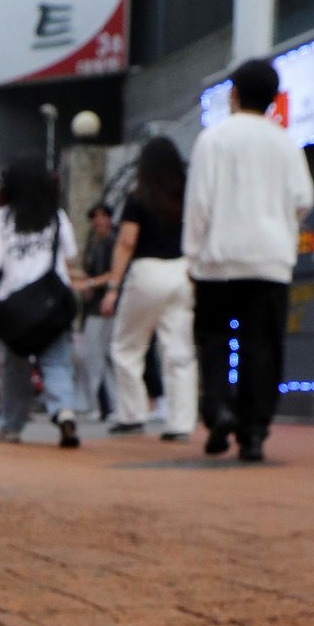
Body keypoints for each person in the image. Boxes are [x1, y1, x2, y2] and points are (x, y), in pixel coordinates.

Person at [184, 56, 314, 461]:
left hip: (218, 259)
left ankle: (219, 409)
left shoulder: (214, 139)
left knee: (214, 338)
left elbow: (198, 203)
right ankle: (254, 431)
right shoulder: (286, 143)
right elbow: (303, 200)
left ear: (234, 94)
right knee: (262, 345)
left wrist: (192, 256)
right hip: (270, 261)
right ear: (274, 98)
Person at [0, 156, 84, 447]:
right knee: (57, 362)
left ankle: (11, 425)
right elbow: (70, 258)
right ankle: (64, 411)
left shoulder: (0, 220)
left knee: (14, 368)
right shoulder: (56, 217)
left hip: (15, 309)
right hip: (52, 306)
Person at [101, 136, 197, 440]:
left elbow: (126, 242)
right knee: (179, 351)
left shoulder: (138, 196)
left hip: (147, 272)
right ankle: (180, 424)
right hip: (183, 272)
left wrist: (113, 286)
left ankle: (132, 415)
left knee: (127, 346)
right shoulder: (188, 195)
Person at [75, 200, 117, 420]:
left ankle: (105, 405)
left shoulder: (112, 242)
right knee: (93, 356)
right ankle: (100, 403)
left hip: (105, 307)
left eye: (103, 216)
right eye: (95, 217)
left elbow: (114, 273)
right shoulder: (94, 243)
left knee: (99, 356)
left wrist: (90, 284)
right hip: (93, 307)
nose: (99, 221)